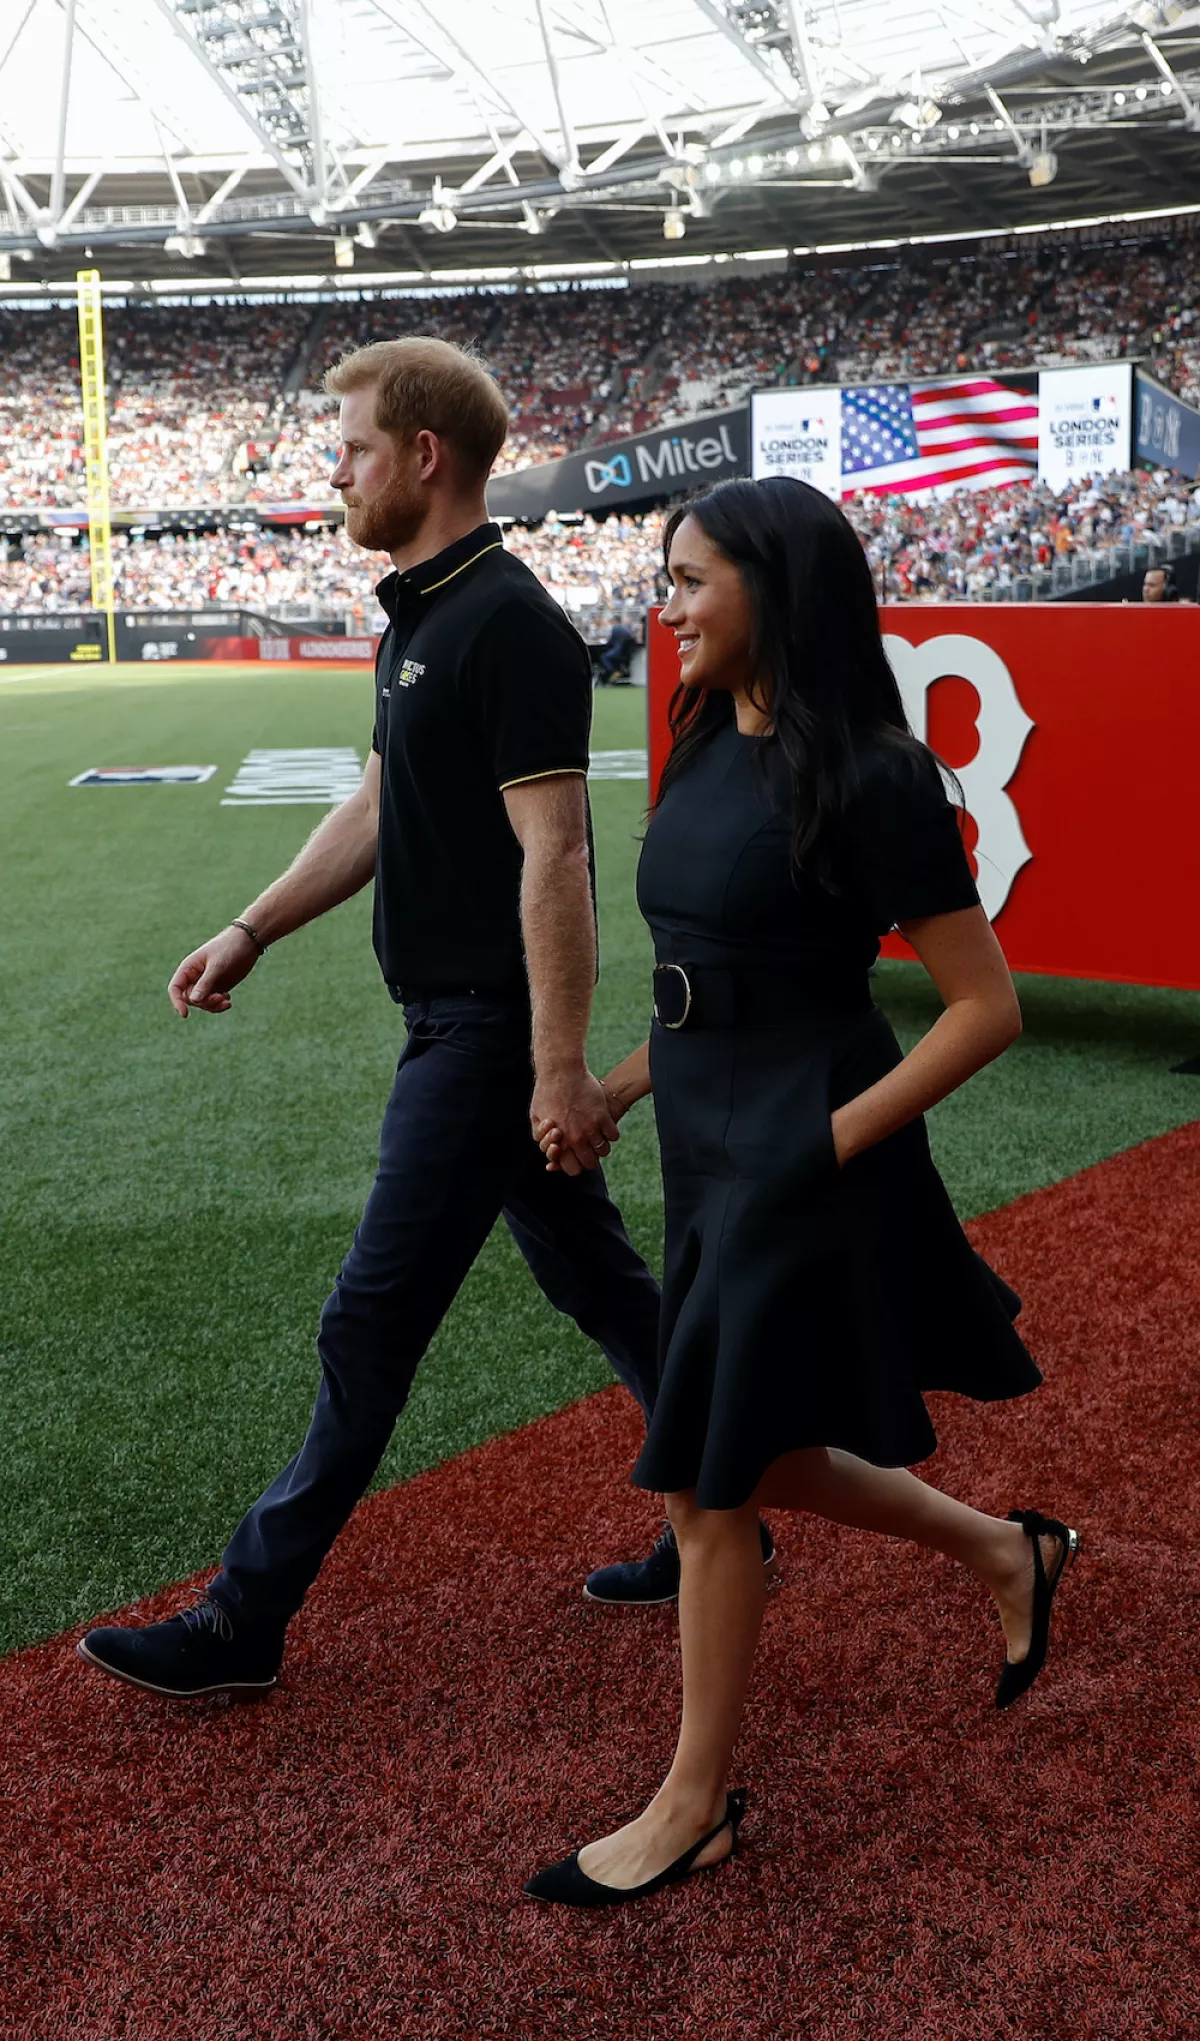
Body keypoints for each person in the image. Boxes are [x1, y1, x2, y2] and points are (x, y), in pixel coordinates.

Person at [76, 337, 757, 1702]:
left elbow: (554, 853)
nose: (335, 470)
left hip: (484, 1036)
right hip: (452, 1024)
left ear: (424, 458)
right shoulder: (421, 615)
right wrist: (252, 927)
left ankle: (243, 1617)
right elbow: (383, 805)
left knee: (369, 1322)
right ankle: (723, 1512)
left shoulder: (504, 620)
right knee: (603, 1284)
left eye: (355, 448)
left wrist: (557, 1070)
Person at [525, 477, 1079, 1908]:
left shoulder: (878, 775)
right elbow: (714, 977)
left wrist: (819, 1145)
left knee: (712, 1482)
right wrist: (611, 1092)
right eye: (667, 575)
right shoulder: (699, 735)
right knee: (751, 1454)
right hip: (703, 1143)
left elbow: (984, 1009)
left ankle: (696, 1803)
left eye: (695, 577)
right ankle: (1006, 1550)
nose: (669, 604)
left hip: (805, 1153)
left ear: (780, 587)